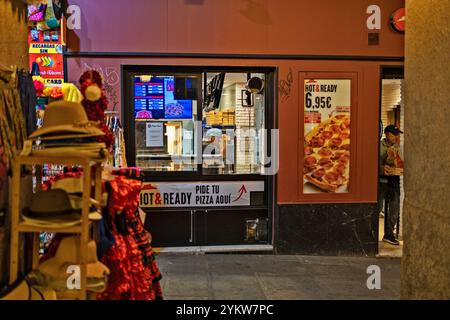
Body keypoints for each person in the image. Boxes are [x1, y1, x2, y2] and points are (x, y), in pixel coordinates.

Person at [378, 124, 404, 245]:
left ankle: (389, 234)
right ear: (387, 134)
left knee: (394, 207)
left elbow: (400, 164)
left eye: (397, 135)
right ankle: (371, 233)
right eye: (394, 134)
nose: (396, 137)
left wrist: (397, 164)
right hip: (381, 180)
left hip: (394, 181)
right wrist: (381, 168)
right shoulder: (378, 146)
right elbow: (371, 163)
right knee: (377, 207)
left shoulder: (397, 147)